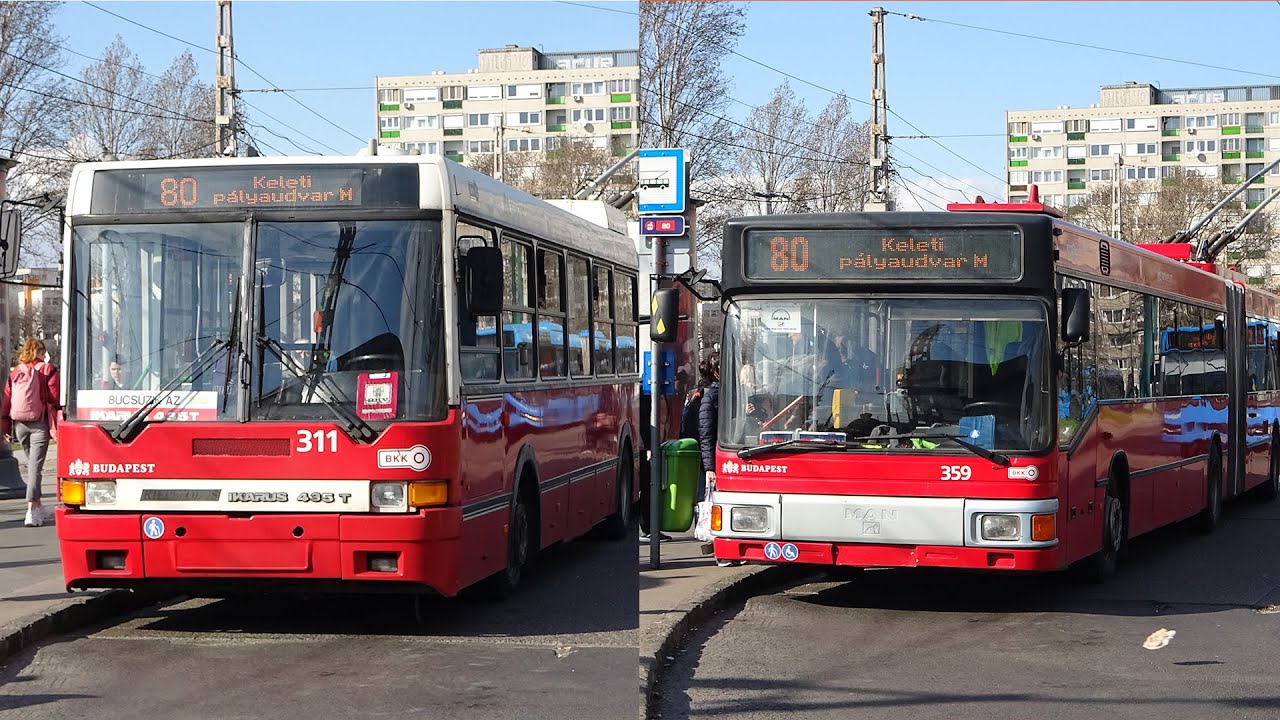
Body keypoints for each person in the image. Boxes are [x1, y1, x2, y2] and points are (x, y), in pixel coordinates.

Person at [1, 338, 59, 528]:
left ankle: (39, 506)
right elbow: (55, 395)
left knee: (33, 467)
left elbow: (7, 399)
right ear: (40, 351)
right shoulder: (47, 369)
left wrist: (4, 427)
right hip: (38, 423)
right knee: (35, 469)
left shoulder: (16, 371)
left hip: (20, 425)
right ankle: (31, 511)